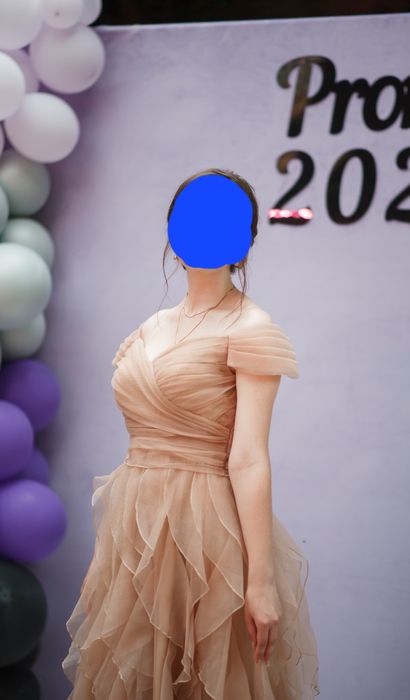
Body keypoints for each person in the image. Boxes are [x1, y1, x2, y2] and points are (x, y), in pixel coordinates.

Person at [62, 168, 320, 698]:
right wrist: (111, 554)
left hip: (207, 535)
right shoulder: (150, 328)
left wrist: (260, 581)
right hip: (137, 532)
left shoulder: (250, 327)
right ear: (173, 233)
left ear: (244, 242)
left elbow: (248, 457)